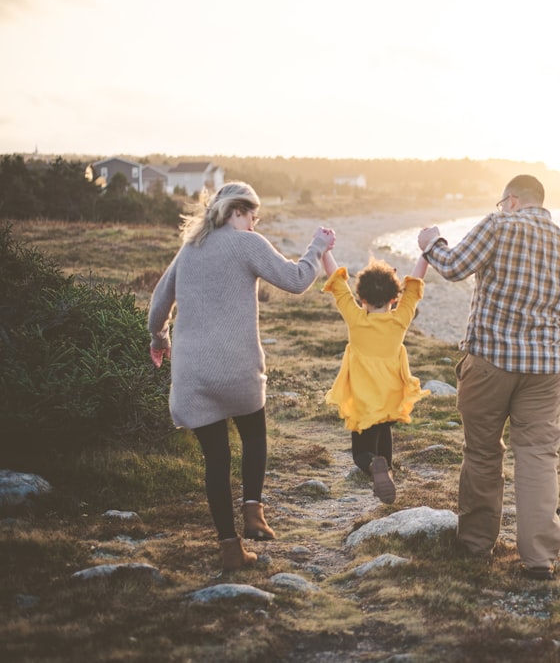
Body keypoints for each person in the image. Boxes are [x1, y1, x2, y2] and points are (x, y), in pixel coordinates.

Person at [417, 174, 560, 580]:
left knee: (482, 453)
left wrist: (432, 244)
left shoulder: (497, 224)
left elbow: (455, 267)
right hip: (545, 370)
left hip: (489, 362)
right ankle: (539, 560)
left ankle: (476, 546)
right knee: (538, 458)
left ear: (512, 200)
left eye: (503, 203)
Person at [147, 181, 335, 571]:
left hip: (192, 375)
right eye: (253, 216)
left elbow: (158, 306)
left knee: (216, 460)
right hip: (237, 371)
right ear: (238, 212)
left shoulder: (189, 249)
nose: (254, 223)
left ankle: (230, 549)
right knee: (254, 434)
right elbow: (297, 280)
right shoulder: (246, 242)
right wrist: (317, 246)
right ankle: (253, 511)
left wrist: (159, 338)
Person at [320, 241, 430, 504]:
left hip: (363, 400)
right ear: (394, 298)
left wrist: (324, 251)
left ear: (362, 299)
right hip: (391, 396)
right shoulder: (400, 318)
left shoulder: (356, 318)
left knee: (362, 454)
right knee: (384, 432)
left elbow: (337, 284)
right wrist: (426, 252)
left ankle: (375, 467)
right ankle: (386, 470)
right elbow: (414, 285)